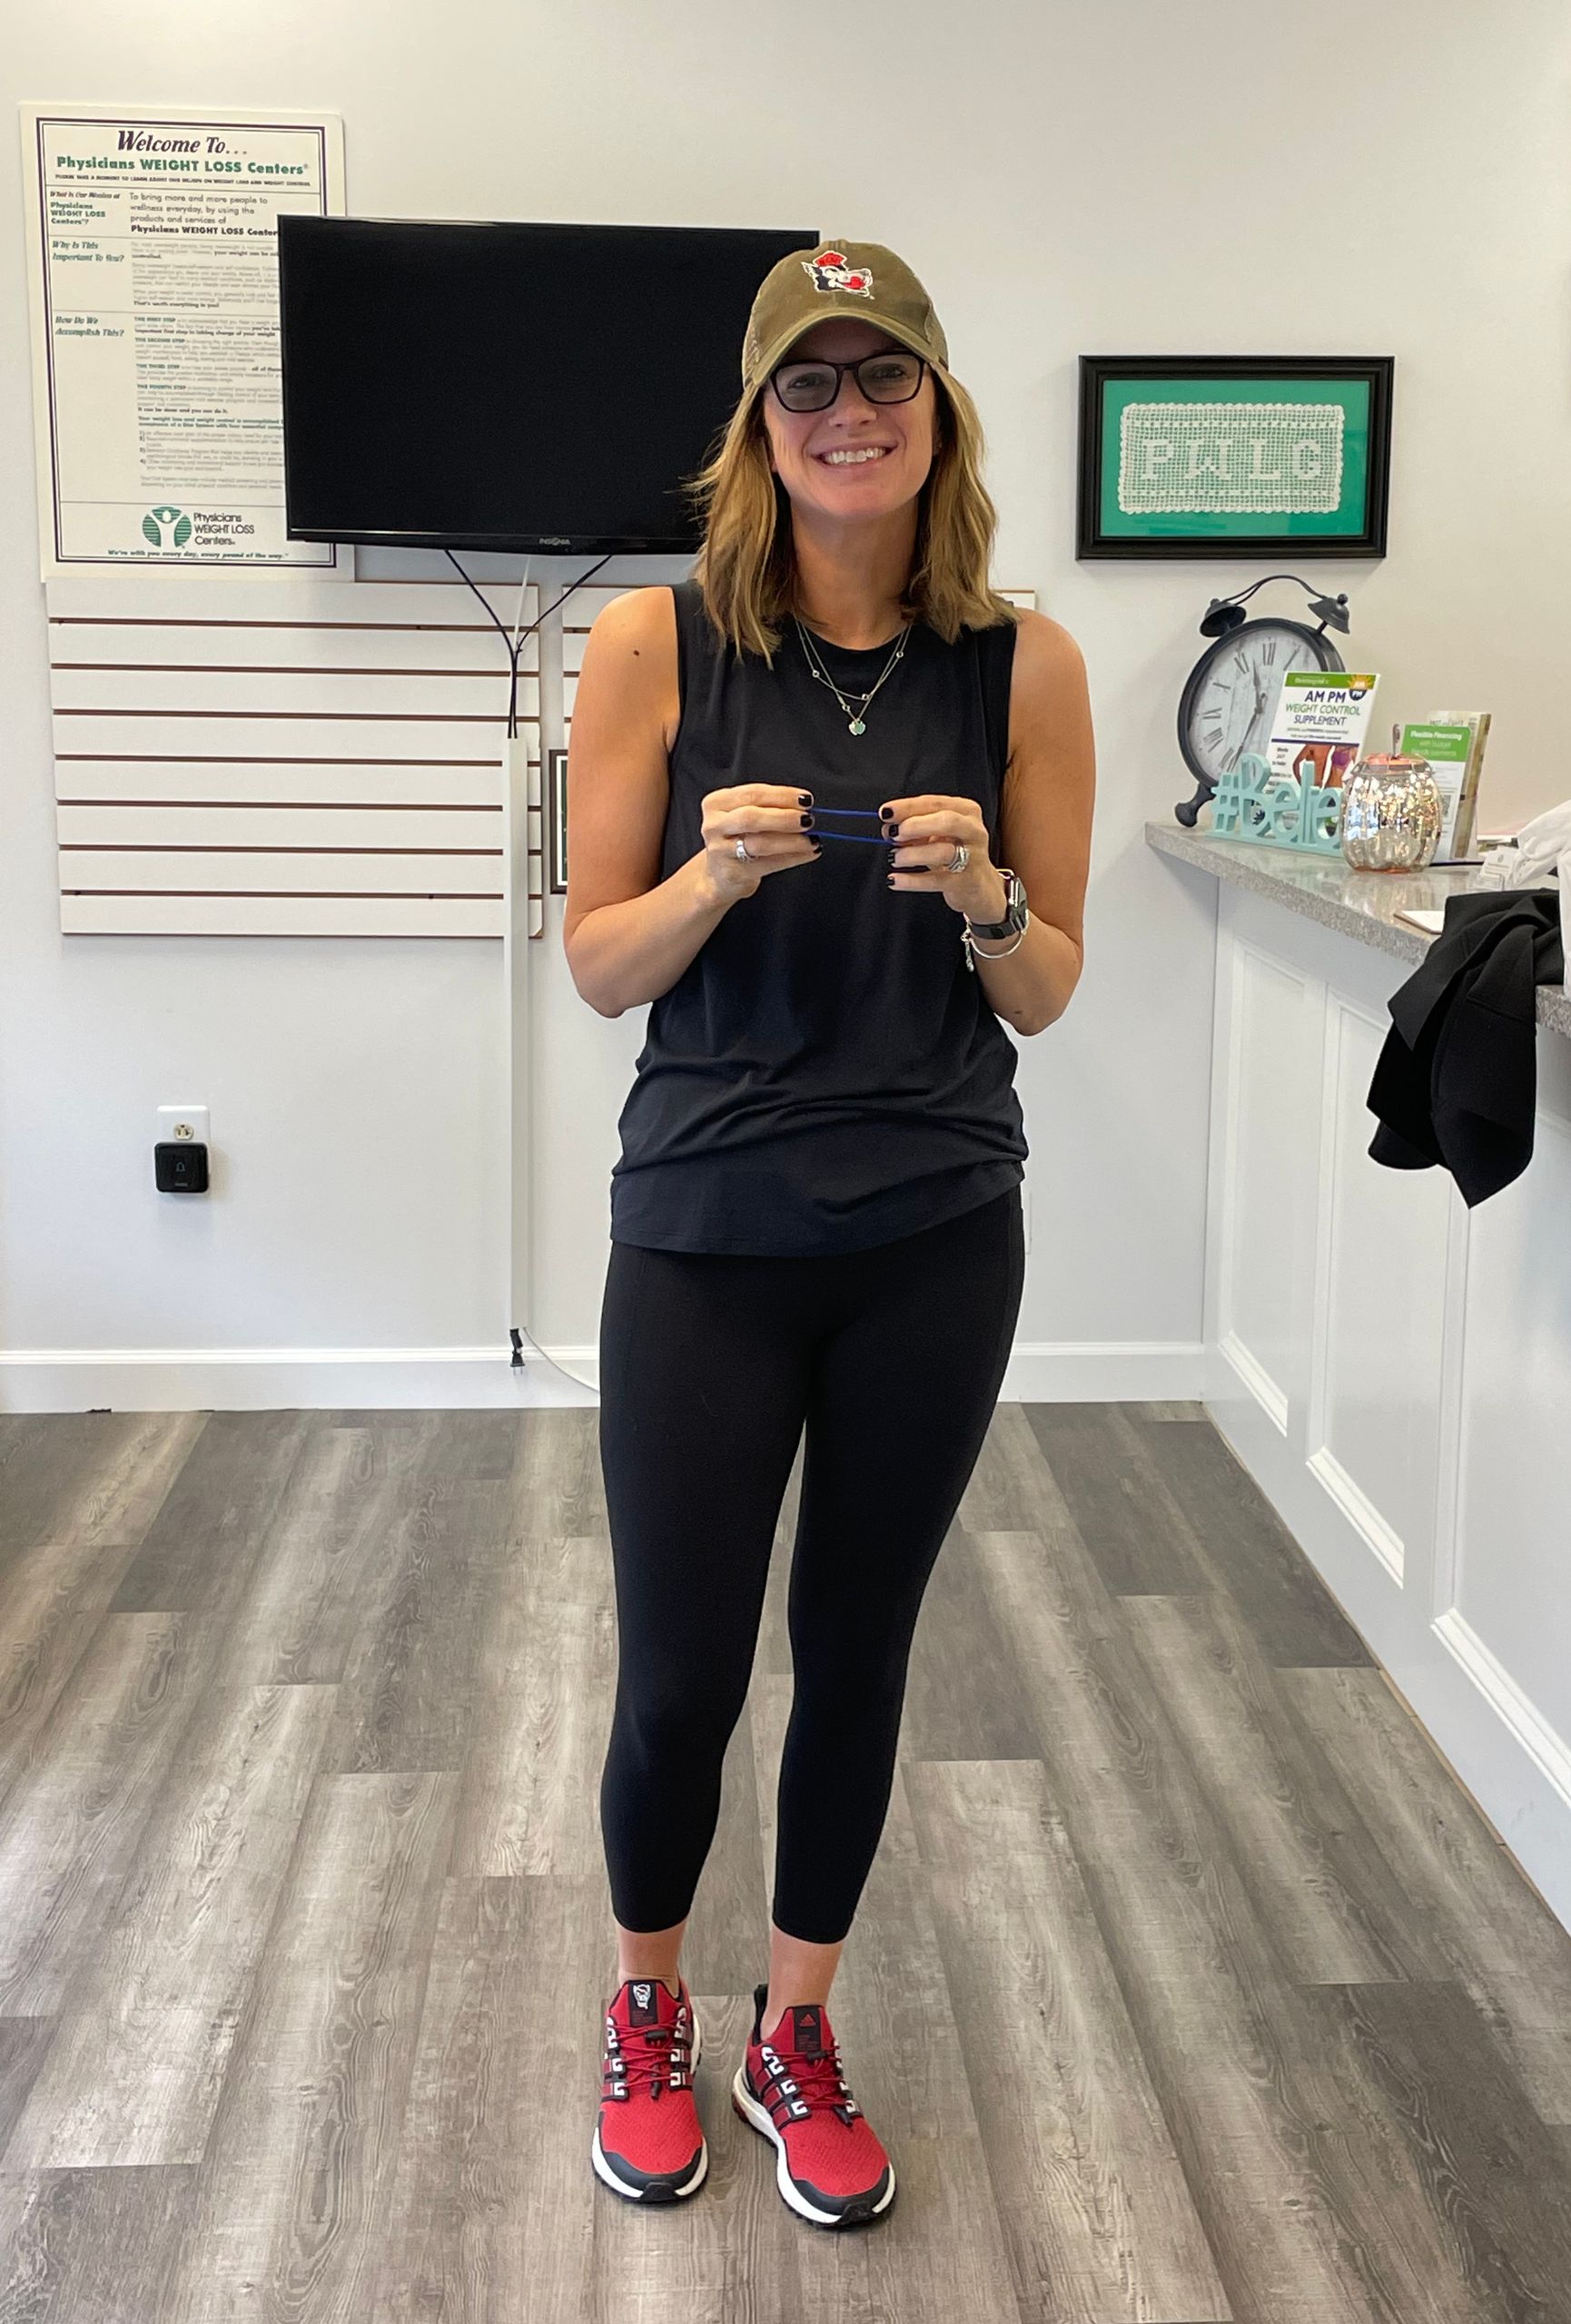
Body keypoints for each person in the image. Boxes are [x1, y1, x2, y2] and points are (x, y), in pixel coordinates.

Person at [564, 237, 1095, 2230]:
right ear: (759, 425)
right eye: (810, 383)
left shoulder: (1017, 664)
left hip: (937, 1234)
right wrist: (710, 875)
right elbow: (601, 964)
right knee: (684, 1668)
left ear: (937, 412)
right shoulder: (652, 647)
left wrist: (981, 904)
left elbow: (1044, 988)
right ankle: (646, 2011)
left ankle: (794, 2024)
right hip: (704, 1226)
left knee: (855, 1651)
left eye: (885, 379)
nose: (848, 412)